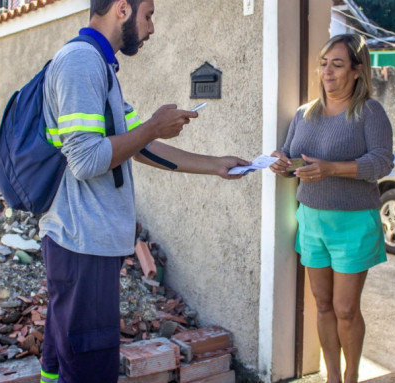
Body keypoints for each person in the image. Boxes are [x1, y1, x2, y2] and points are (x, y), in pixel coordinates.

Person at [37, 1, 249, 382]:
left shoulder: (99, 68)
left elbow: (141, 146)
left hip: (85, 243)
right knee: (88, 369)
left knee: (62, 361)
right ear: (122, 9)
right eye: (148, 15)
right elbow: (86, 161)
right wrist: (152, 125)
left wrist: (215, 164)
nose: (151, 28)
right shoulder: (81, 63)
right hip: (83, 243)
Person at [269, 34, 394, 383]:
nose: (327, 71)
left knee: (345, 309)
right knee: (322, 306)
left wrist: (332, 168)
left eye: (337, 64)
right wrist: (281, 162)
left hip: (353, 223)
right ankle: (333, 378)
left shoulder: (369, 111)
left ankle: (352, 377)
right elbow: (292, 155)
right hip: (311, 220)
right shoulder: (304, 113)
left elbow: (383, 161)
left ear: (357, 70)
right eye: (324, 63)